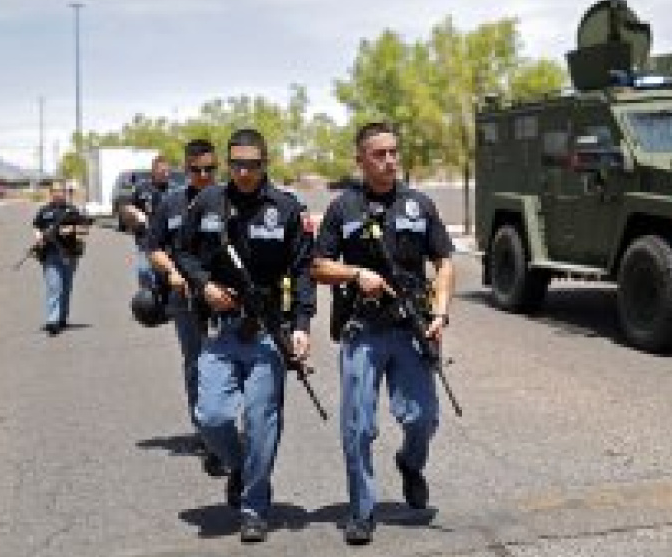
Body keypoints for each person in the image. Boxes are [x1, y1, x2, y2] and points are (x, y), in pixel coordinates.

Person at [312, 122, 455, 545]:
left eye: (394, 152)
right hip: (363, 329)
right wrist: (356, 274)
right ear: (360, 159)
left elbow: (444, 262)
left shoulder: (419, 204)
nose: (390, 160)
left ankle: (410, 464)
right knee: (357, 426)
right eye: (379, 154)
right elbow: (317, 265)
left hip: (410, 328)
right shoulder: (343, 208)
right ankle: (362, 510)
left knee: (422, 418)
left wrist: (440, 312)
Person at [175, 128, 315, 543]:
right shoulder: (208, 202)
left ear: (265, 163)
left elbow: (302, 272)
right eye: (236, 164)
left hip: (268, 331)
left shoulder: (285, 208)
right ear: (228, 163)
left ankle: (255, 506)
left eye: (252, 164)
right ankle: (239, 466)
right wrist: (204, 286)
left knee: (260, 421)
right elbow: (183, 251)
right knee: (211, 417)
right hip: (220, 329)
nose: (243, 172)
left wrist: (301, 326)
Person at [145, 139, 224, 476]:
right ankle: (206, 432)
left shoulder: (229, 199)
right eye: (196, 170)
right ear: (186, 168)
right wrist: (172, 272)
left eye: (210, 169)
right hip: (186, 298)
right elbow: (153, 248)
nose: (203, 175)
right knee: (196, 363)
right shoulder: (171, 203)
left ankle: (222, 425)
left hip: (224, 298)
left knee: (227, 363)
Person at [31, 183, 91, 336]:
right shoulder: (44, 211)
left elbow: (85, 229)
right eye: (56, 191)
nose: (59, 194)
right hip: (50, 254)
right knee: (54, 287)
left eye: (62, 191)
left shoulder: (72, 210)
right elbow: (36, 226)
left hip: (69, 254)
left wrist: (70, 229)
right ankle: (52, 321)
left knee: (66, 287)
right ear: (51, 193)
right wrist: (39, 237)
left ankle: (62, 318)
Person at [121, 155, 172, 289]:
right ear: (154, 171)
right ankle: (147, 297)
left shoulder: (173, 190)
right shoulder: (142, 188)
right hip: (145, 240)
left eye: (168, 171)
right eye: (162, 171)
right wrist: (137, 213)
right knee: (145, 272)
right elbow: (128, 207)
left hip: (167, 242)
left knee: (165, 276)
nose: (166, 174)